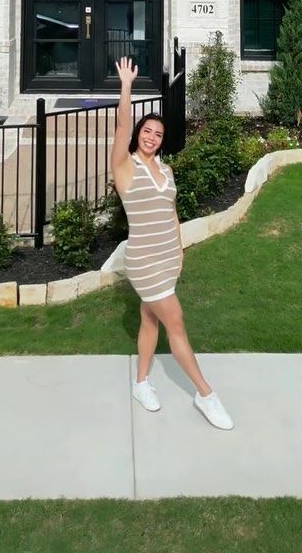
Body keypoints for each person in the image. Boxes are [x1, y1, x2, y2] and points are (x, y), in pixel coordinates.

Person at [111, 56, 234, 430]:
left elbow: (172, 214)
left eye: (158, 134)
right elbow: (121, 126)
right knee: (175, 323)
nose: (151, 137)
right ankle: (205, 394)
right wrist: (127, 86)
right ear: (139, 135)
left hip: (167, 258)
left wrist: (179, 252)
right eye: (147, 131)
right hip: (145, 261)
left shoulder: (166, 170)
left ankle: (142, 383)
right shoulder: (125, 166)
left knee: (150, 319)